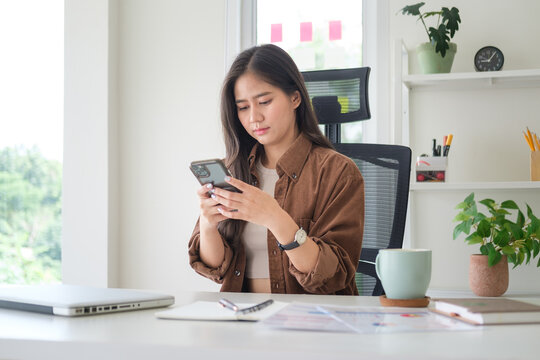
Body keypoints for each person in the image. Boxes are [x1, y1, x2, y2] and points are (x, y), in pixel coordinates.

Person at [188, 44, 364, 295]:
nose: (254, 118)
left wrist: (274, 217)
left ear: (295, 98)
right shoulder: (232, 170)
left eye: (264, 101)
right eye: (243, 107)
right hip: (241, 318)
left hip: (310, 323)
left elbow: (332, 275)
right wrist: (207, 224)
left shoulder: (339, 173)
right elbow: (213, 267)